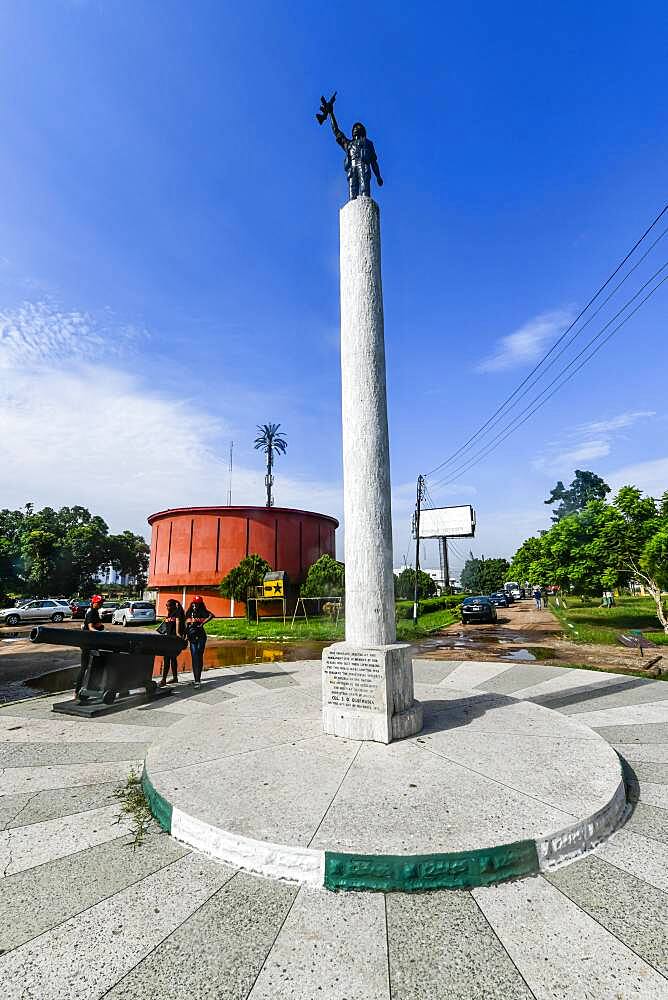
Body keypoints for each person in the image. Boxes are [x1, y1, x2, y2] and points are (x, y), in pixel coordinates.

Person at [75, 594, 104, 696]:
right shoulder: (91, 612)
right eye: (99, 603)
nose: (101, 604)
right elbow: (91, 627)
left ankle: (93, 686)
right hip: (88, 643)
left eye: (101, 603)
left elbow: (93, 625)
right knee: (85, 667)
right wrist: (102, 633)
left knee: (94, 665)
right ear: (94, 602)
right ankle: (78, 690)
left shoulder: (94, 611)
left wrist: (100, 627)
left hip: (91, 642)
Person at [184, 596, 214, 688]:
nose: (195, 604)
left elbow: (211, 615)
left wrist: (202, 623)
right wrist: (185, 635)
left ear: (200, 604)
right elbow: (186, 624)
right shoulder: (189, 612)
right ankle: (196, 679)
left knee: (199, 655)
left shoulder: (203, 611)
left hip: (201, 636)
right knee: (194, 656)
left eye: (197, 603)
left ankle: (198, 679)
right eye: (194, 603)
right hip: (192, 636)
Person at [160, 599, 185, 686]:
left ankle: (164, 680)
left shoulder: (177, 613)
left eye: (169, 605)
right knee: (171, 659)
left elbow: (178, 622)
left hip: (174, 639)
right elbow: (165, 627)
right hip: (168, 639)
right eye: (166, 605)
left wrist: (178, 633)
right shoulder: (169, 614)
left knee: (168, 659)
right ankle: (174, 678)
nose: (167, 607)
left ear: (174, 606)